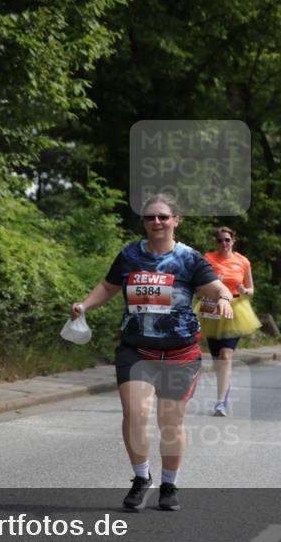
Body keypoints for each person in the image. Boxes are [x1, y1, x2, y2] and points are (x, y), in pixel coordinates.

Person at [71, 194, 232, 512]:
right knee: (135, 414)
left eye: (162, 217)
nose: (156, 222)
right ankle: (141, 478)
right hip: (137, 349)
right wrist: (84, 305)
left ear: (176, 220)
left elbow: (216, 286)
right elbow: (108, 287)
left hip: (180, 353)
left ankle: (169, 484)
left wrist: (224, 298)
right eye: (149, 217)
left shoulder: (189, 258)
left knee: (170, 422)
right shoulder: (130, 255)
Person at [200, 226, 261, 415]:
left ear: (234, 240)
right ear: (216, 242)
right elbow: (198, 286)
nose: (224, 244)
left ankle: (220, 402)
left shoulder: (243, 261)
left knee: (227, 355)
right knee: (217, 359)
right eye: (220, 240)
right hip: (212, 308)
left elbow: (251, 291)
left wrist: (244, 291)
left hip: (235, 309)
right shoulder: (208, 259)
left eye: (227, 240)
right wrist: (211, 283)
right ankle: (224, 390)